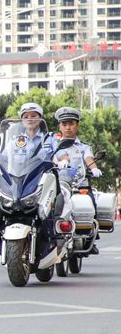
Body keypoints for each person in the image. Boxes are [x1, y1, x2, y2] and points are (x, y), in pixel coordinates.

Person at [53, 106, 103, 254]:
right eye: (65, 124)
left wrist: (94, 169)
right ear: (60, 126)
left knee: (92, 205)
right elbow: (63, 156)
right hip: (59, 186)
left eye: (71, 124)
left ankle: (91, 239)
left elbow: (88, 158)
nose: (68, 127)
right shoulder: (54, 144)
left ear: (77, 125)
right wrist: (62, 162)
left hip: (80, 184)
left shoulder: (84, 146)